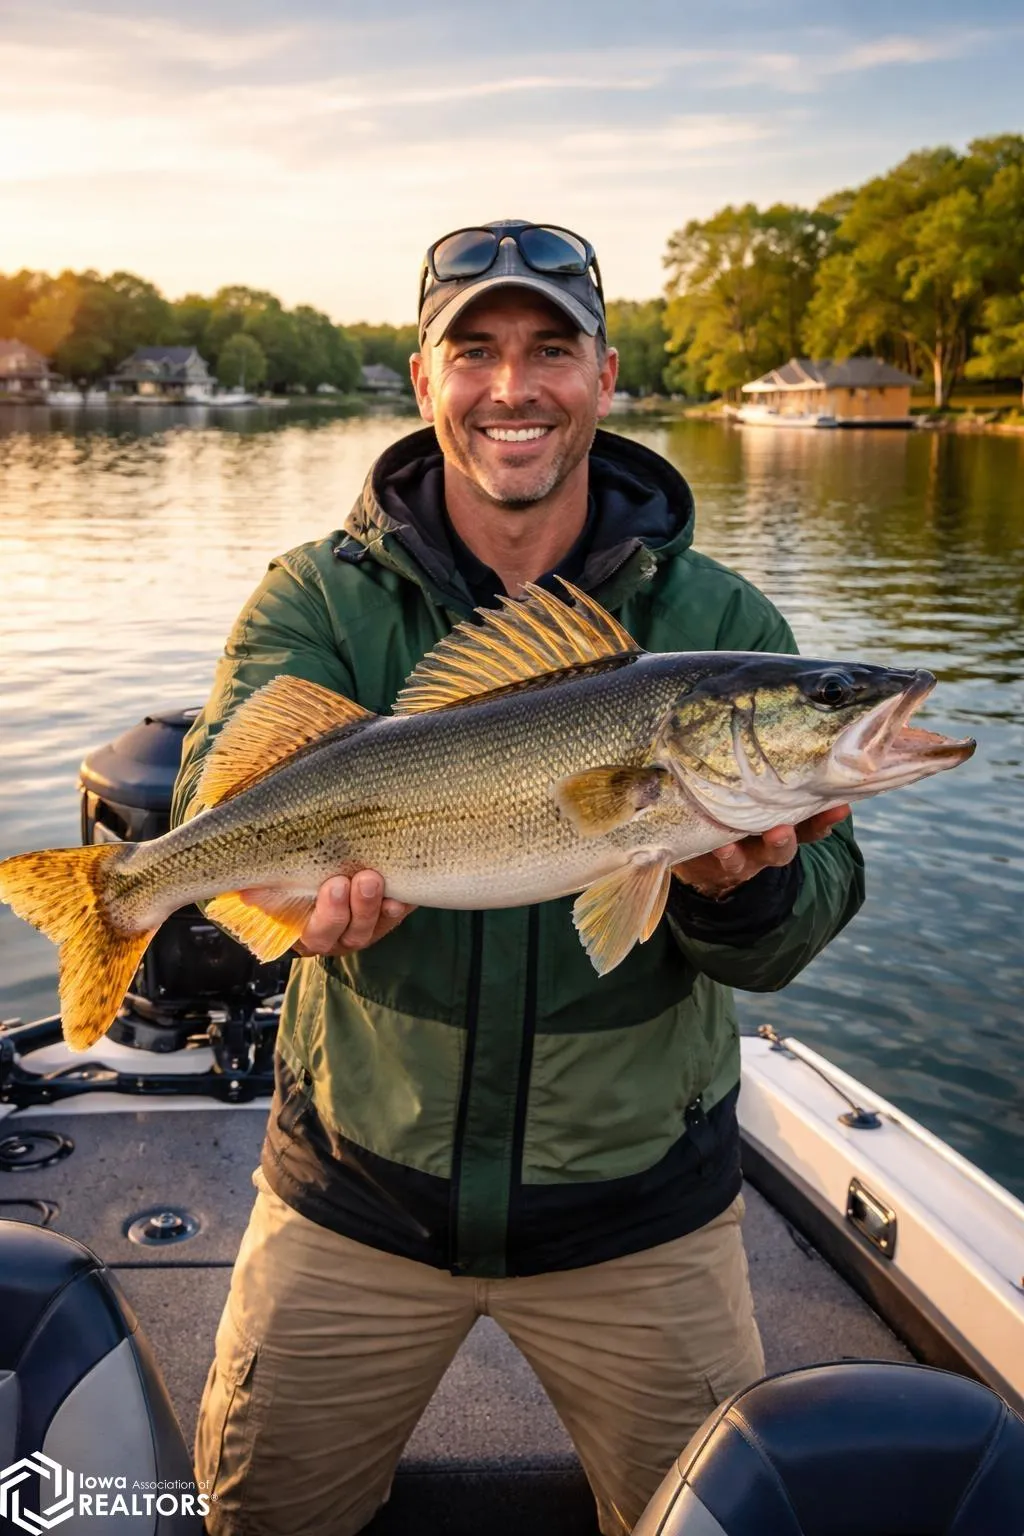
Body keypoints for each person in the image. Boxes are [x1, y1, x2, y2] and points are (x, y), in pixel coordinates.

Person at [172, 219, 863, 1536]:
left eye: (550, 350)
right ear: (423, 379)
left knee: (709, 1520)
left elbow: (806, 918)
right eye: (474, 350)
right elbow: (221, 793)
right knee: (262, 1518)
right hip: (354, 1192)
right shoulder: (316, 599)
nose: (512, 387)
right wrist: (265, 907)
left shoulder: (720, 627)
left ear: (605, 377)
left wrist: (748, 890)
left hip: (640, 1213)